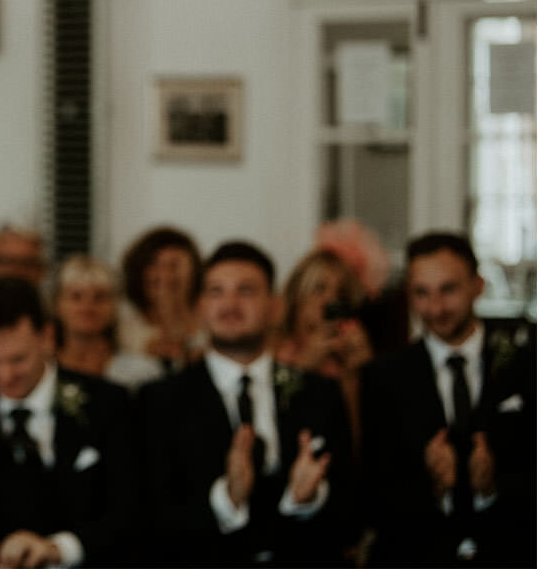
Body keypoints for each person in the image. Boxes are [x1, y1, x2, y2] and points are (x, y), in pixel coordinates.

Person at [139, 241, 353, 566]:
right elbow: (149, 519)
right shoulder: (159, 399)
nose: (230, 303)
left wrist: (309, 499)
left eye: (246, 291)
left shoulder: (319, 392)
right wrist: (227, 499)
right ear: (200, 306)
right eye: (216, 292)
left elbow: (353, 506)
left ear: (275, 306)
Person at [361, 232, 534, 567]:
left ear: (477, 285)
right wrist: (436, 490)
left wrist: (492, 489)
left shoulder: (528, 362)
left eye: (448, 289)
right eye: (421, 293)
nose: (435, 308)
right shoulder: (383, 375)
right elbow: (373, 495)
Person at [0, 277, 134, 569]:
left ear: (47, 337)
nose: (5, 376)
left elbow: (129, 508)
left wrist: (59, 548)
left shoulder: (108, 402)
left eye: (18, 359)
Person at [276, 248, 374, 448]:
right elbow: (276, 416)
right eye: (319, 289)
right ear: (297, 296)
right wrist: (302, 368)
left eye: (341, 293)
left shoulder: (347, 355)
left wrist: (359, 374)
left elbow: (362, 443)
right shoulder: (273, 352)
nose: (331, 300)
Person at [51, 255, 162, 392]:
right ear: (56, 305)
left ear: (115, 306)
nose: (88, 306)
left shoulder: (142, 371)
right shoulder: (41, 369)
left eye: (100, 297)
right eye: (76, 297)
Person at [118, 226, 205, 373]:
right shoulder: (123, 325)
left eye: (174, 265)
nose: (164, 275)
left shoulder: (211, 322)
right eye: (154, 264)